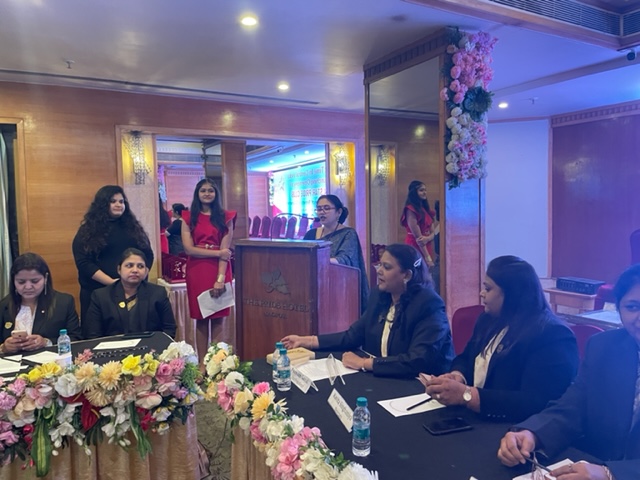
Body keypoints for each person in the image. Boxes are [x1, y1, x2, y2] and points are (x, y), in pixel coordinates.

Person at [498, 264, 640, 480]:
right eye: (632, 307)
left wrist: (611, 474)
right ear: (619, 309)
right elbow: (574, 406)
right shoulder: (603, 347)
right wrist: (532, 433)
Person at [423, 255, 579, 422]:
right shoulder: (487, 319)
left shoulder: (552, 336)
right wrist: (458, 375)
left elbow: (536, 402)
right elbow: (466, 358)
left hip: (515, 428)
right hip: (475, 419)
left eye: (488, 289)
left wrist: (468, 395)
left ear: (512, 294)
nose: (482, 293)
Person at [282, 243, 454, 378]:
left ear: (407, 275)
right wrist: (307, 341)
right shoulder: (379, 296)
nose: (379, 271)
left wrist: (364, 363)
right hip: (387, 379)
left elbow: (417, 360)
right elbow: (353, 336)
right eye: (380, 265)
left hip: (423, 387)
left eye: (387, 267)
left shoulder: (429, 305)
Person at [72, 185, 154, 322]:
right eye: (113, 201)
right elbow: (84, 262)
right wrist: (113, 283)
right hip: (97, 292)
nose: (118, 205)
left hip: (133, 290)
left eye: (121, 202)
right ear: (102, 204)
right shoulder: (88, 230)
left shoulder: (133, 227)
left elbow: (148, 255)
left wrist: (137, 278)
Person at [181, 178, 236, 360]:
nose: (207, 194)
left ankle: (217, 362)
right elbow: (189, 249)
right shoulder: (188, 217)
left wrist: (220, 279)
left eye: (210, 190)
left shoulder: (226, 217)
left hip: (219, 269)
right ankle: (202, 363)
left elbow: (225, 253)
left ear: (216, 193)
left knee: (219, 319)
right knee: (201, 320)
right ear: (197, 194)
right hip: (197, 271)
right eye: (203, 190)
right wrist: (217, 252)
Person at [83, 248, 176, 339]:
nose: (135, 270)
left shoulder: (158, 293)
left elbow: (169, 329)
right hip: (113, 348)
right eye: (129, 265)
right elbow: (93, 335)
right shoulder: (101, 296)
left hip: (150, 347)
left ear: (146, 271)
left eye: (140, 266)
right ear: (119, 269)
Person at [0, 253, 81, 353]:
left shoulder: (64, 302)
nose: (28, 287)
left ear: (45, 278)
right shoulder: (4, 305)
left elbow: (76, 339)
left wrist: (47, 343)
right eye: (21, 282)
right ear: (13, 281)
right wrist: (3, 348)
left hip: (49, 361)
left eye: (35, 281)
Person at [303, 194, 369, 313]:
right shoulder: (310, 234)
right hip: (312, 287)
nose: (322, 212)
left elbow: (345, 259)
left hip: (338, 288)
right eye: (319, 209)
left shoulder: (348, 234)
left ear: (338, 212)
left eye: (326, 208)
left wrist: (320, 261)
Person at [400, 181, 438, 268]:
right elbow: (419, 238)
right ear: (414, 192)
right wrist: (428, 258)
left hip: (427, 244)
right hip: (415, 245)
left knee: (426, 271)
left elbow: (433, 232)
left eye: (425, 190)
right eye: (421, 190)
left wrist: (428, 238)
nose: (424, 192)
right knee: (417, 270)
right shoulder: (410, 210)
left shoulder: (425, 209)